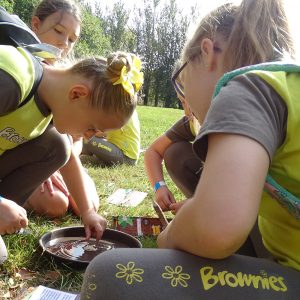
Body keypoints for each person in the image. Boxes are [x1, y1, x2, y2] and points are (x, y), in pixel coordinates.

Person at [80, 0, 300, 299]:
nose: (187, 100)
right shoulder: (289, 84)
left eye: (182, 80)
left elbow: (217, 229)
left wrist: (171, 235)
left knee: (106, 275)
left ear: (207, 52)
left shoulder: (246, 87)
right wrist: (206, 205)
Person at [0, 31, 143, 243]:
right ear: (77, 94)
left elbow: (69, 161)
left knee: (59, 146)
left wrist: (87, 212)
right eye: (92, 128)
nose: (88, 137)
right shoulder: (12, 82)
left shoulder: (50, 103)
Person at [20, 0, 99, 218]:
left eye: (72, 40)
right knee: (56, 205)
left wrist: (58, 162)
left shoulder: (68, 79)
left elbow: (75, 139)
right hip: (22, 158)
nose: (65, 43)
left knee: (89, 203)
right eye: (59, 31)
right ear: (36, 24)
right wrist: (41, 167)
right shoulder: (20, 72)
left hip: (57, 158)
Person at [144, 61, 200, 212]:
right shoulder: (192, 122)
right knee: (175, 152)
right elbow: (153, 152)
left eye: (185, 101)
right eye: (182, 102)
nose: (186, 113)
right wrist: (159, 187)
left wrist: (199, 205)